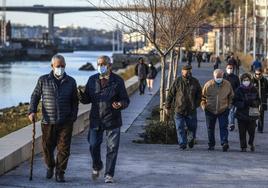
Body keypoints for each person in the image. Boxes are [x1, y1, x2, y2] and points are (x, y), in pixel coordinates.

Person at [78, 56, 130, 183]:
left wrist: (120, 104)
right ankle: (97, 165)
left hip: (113, 119)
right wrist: (80, 94)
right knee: (93, 145)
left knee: (112, 148)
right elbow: (87, 100)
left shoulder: (118, 81)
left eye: (103, 64)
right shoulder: (92, 79)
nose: (101, 66)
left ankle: (109, 174)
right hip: (96, 119)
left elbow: (125, 100)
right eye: (99, 64)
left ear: (109, 65)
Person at [28, 54, 78, 182]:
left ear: (65, 66)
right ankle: (50, 165)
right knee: (47, 148)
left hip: (65, 121)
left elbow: (74, 101)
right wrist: (32, 111)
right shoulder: (43, 80)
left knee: (64, 149)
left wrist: (73, 116)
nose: (60, 68)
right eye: (58, 66)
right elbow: (35, 96)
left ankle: (60, 172)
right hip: (48, 121)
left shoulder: (71, 81)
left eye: (62, 66)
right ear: (52, 66)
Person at [165, 65, 202, 150]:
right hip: (179, 109)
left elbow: (199, 95)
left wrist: (196, 104)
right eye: (186, 70)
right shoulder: (177, 81)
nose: (188, 72)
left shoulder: (195, 81)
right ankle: (182, 143)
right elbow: (170, 94)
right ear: (182, 71)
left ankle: (191, 140)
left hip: (191, 110)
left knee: (192, 127)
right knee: (180, 127)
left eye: (189, 70)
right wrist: (168, 106)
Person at [201, 69, 234, 152]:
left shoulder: (227, 84)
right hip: (210, 109)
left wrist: (229, 106)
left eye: (220, 77)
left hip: (223, 109)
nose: (219, 78)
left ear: (223, 76)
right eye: (217, 77)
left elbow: (231, 96)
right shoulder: (208, 85)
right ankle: (211, 144)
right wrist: (203, 106)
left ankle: (224, 143)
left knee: (223, 127)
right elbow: (202, 97)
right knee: (210, 128)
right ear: (214, 76)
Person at [233, 73, 261, 152]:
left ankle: (251, 143)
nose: (246, 81)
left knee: (252, 132)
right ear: (241, 81)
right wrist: (243, 104)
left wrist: (254, 103)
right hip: (241, 114)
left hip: (252, 114)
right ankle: (243, 146)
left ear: (250, 80)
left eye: (247, 80)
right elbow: (234, 102)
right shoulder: (238, 90)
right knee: (242, 132)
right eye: (244, 80)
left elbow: (258, 100)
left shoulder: (254, 89)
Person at [223, 63, 240, 131]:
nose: (230, 69)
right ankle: (226, 123)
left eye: (231, 68)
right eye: (228, 68)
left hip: (233, 97)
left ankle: (231, 124)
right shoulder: (223, 77)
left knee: (232, 111)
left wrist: (236, 94)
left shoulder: (236, 77)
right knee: (225, 112)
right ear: (226, 69)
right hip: (224, 97)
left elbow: (238, 87)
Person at [252, 68, 268, 133]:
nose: (257, 75)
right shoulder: (252, 80)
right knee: (254, 115)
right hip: (254, 101)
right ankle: (252, 127)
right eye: (256, 74)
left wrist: (265, 97)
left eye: (259, 74)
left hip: (262, 101)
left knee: (261, 115)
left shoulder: (265, 81)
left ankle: (260, 129)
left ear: (261, 73)